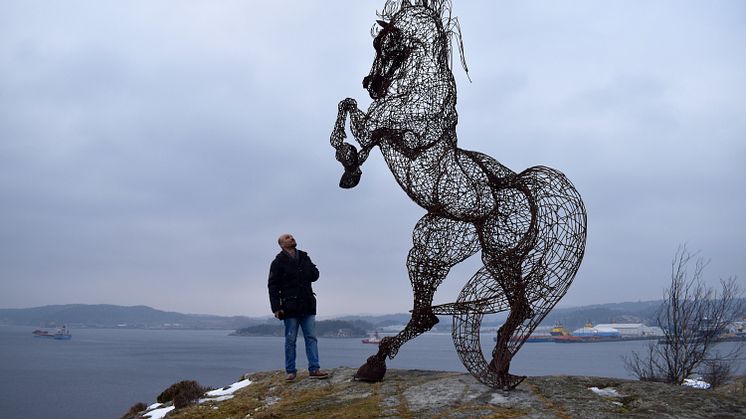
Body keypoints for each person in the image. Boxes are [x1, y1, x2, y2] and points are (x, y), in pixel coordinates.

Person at [268, 233, 329, 381]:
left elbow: (315, 275)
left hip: (307, 303)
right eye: (288, 237)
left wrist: (308, 270)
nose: (292, 238)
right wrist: (276, 308)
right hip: (289, 306)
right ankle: (290, 371)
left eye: (292, 236)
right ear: (282, 244)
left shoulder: (304, 256)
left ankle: (314, 369)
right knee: (290, 340)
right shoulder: (278, 262)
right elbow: (272, 286)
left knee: (311, 337)